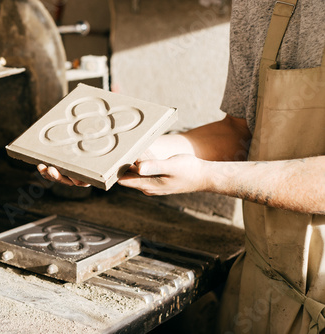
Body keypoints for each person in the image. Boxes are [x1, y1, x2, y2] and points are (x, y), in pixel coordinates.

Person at [38, 0, 325, 332]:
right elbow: (237, 132)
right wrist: (121, 153)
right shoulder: (255, 5)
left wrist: (206, 176)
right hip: (264, 289)